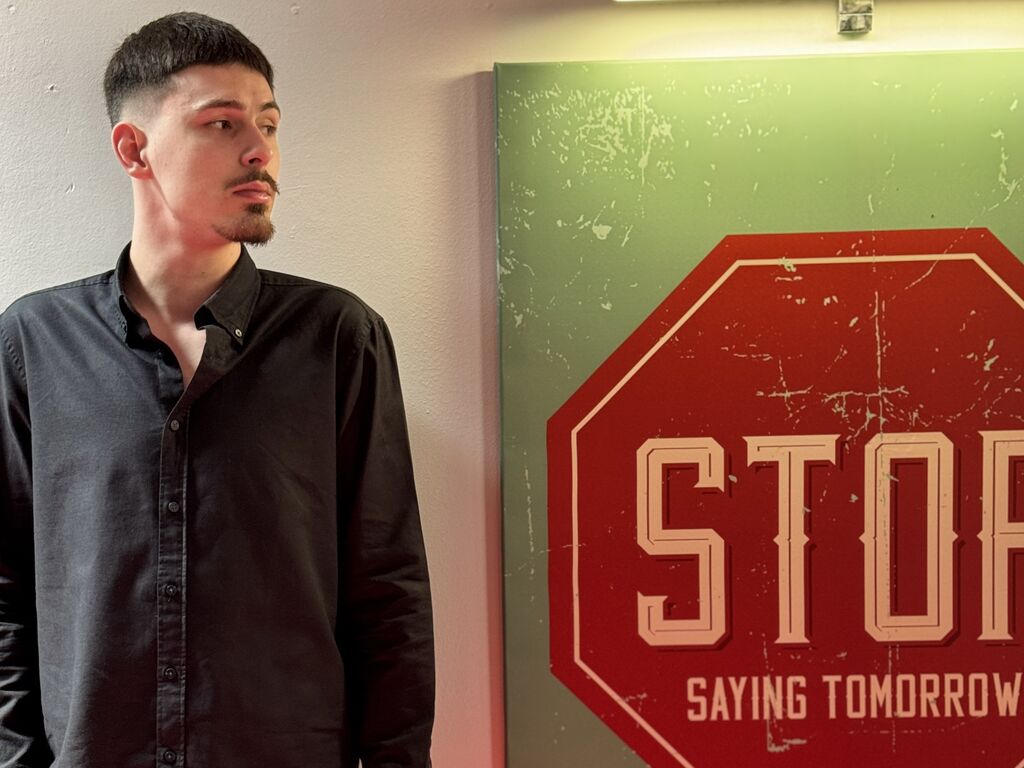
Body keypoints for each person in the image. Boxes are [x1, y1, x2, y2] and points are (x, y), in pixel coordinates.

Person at [0, 12, 433, 768]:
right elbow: (4, 592)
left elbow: (388, 592)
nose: (260, 150)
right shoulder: (35, 343)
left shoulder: (337, 336)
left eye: (268, 124)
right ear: (134, 148)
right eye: (222, 123)